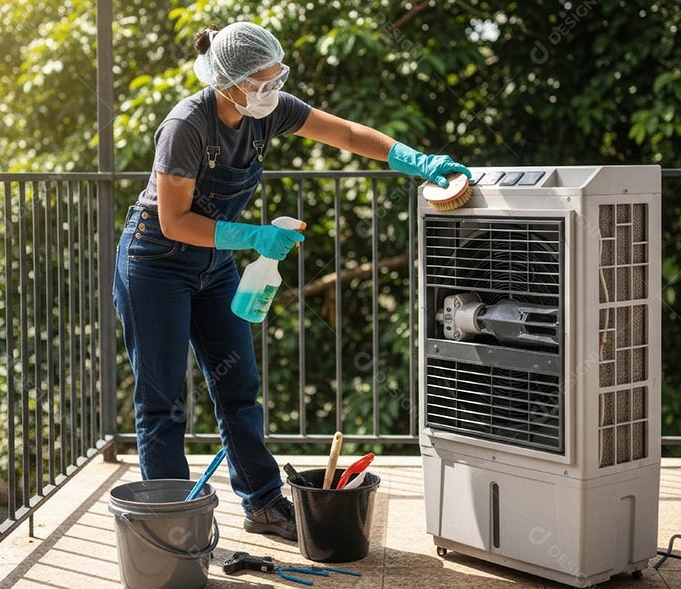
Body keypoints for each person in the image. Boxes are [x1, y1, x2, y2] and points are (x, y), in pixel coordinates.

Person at [112, 21, 470, 541]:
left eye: (275, 79)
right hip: (156, 262)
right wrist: (251, 236)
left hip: (214, 264)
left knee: (239, 387)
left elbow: (344, 133)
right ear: (226, 81)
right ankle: (171, 525)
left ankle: (261, 504)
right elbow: (175, 221)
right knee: (163, 401)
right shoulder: (185, 125)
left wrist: (410, 160)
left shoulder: (268, 107)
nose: (270, 92)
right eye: (259, 84)